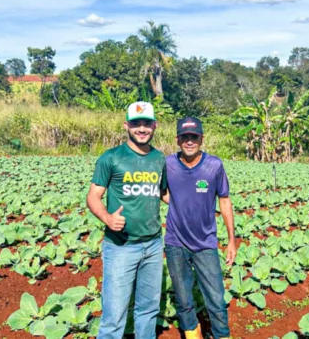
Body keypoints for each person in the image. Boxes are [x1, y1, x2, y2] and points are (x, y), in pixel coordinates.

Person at [86, 101, 168, 339]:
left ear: (155, 125)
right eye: (136, 124)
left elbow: (163, 193)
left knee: (149, 310)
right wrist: (107, 218)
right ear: (126, 125)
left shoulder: (159, 159)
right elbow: (93, 196)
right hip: (121, 246)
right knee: (114, 315)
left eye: (146, 123)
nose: (141, 129)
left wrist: (192, 205)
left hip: (153, 245)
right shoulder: (111, 158)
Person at [162, 117, 236, 339]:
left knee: (216, 297)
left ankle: (222, 334)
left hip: (205, 243)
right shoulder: (168, 164)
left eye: (194, 137)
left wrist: (232, 241)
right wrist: (176, 202)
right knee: (183, 298)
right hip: (175, 243)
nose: (189, 141)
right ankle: (192, 334)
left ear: (201, 139)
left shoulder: (214, 165)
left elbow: (224, 200)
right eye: (185, 137)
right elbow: (160, 191)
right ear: (177, 140)